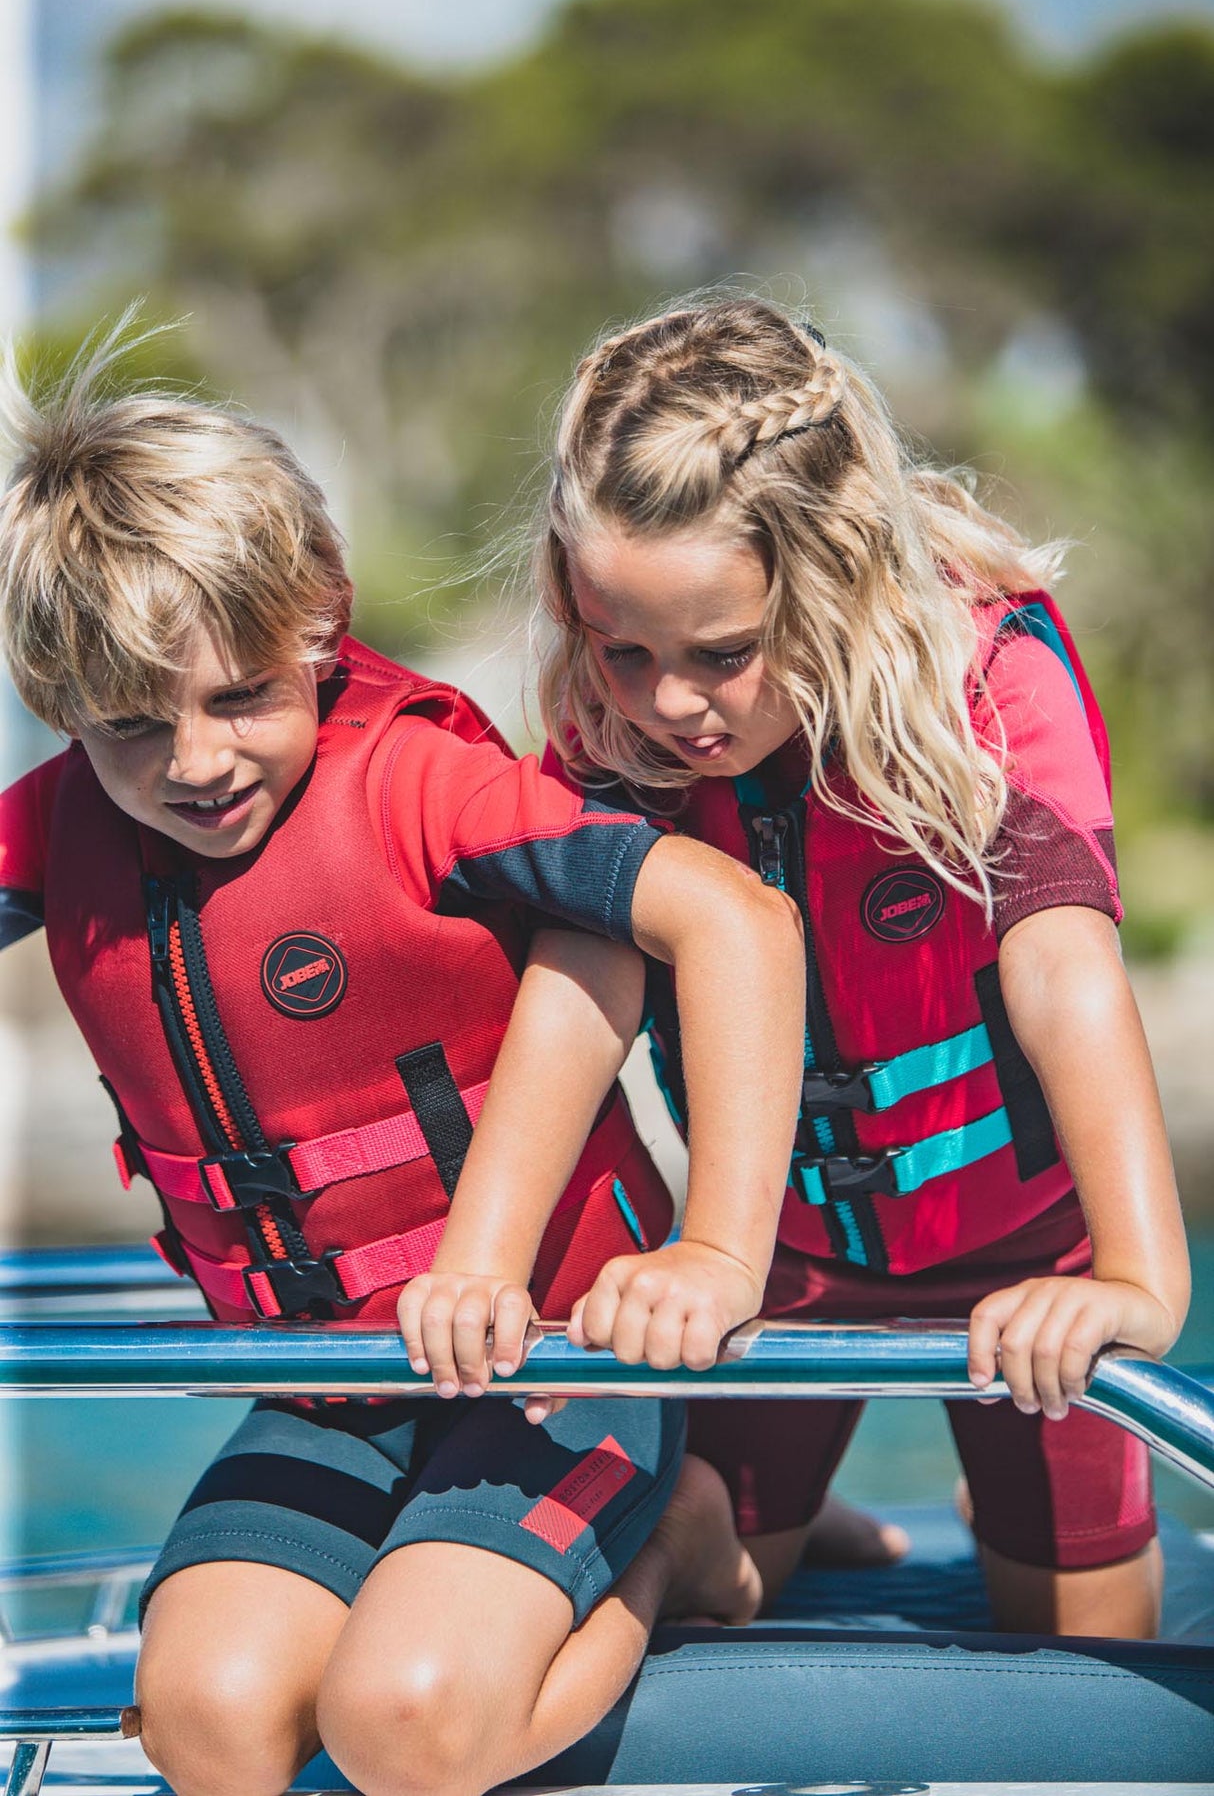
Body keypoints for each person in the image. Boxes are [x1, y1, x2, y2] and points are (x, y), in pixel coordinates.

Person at [0, 318, 805, 1796]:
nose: (191, 761)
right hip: (335, 1376)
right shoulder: (63, 823)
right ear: (63, 705)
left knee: (403, 1721)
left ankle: (675, 1530)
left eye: (240, 694)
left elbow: (736, 921)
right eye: (127, 725)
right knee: (209, 1721)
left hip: (552, 1356)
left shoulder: (421, 782)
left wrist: (713, 1255)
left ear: (319, 618)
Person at [531, 293, 1190, 1641]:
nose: (667, 703)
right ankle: (783, 1513)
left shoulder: (989, 687)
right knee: (695, 1585)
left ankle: (842, 1502)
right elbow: (571, 995)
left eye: (720, 654)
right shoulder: (607, 733)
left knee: (1091, 1653)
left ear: (829, 581)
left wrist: (1131, 1270)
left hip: (1026, 1251)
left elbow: (1066, 972)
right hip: (781, 1256)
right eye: (626, 649)